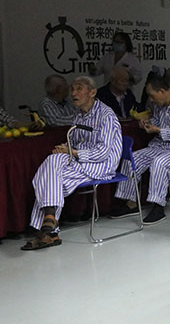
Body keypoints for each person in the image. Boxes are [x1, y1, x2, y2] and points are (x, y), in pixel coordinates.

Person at [21, 76, 122, 250]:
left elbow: (103, 152)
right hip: (81, 160)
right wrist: (66, 148)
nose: (73, 93)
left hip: (102, 163)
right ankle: (50, 225)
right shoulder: (79, 115)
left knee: (50, 177)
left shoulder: (106, 115)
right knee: (53, 166)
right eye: (72, 89)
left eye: (79, 89)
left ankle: (47, 229)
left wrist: (72, 152)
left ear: (92, 92)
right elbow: (74, 142)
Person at [111, 75, 170, 224]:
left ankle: (158, 206)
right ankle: (131, 203)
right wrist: (148, 123)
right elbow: (159, 122)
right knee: (133, 158)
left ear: (162, 91)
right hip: (164, 144)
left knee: (160, 162)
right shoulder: (160, 104)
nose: (151, 100)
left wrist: (158, 129)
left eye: (153, 96)